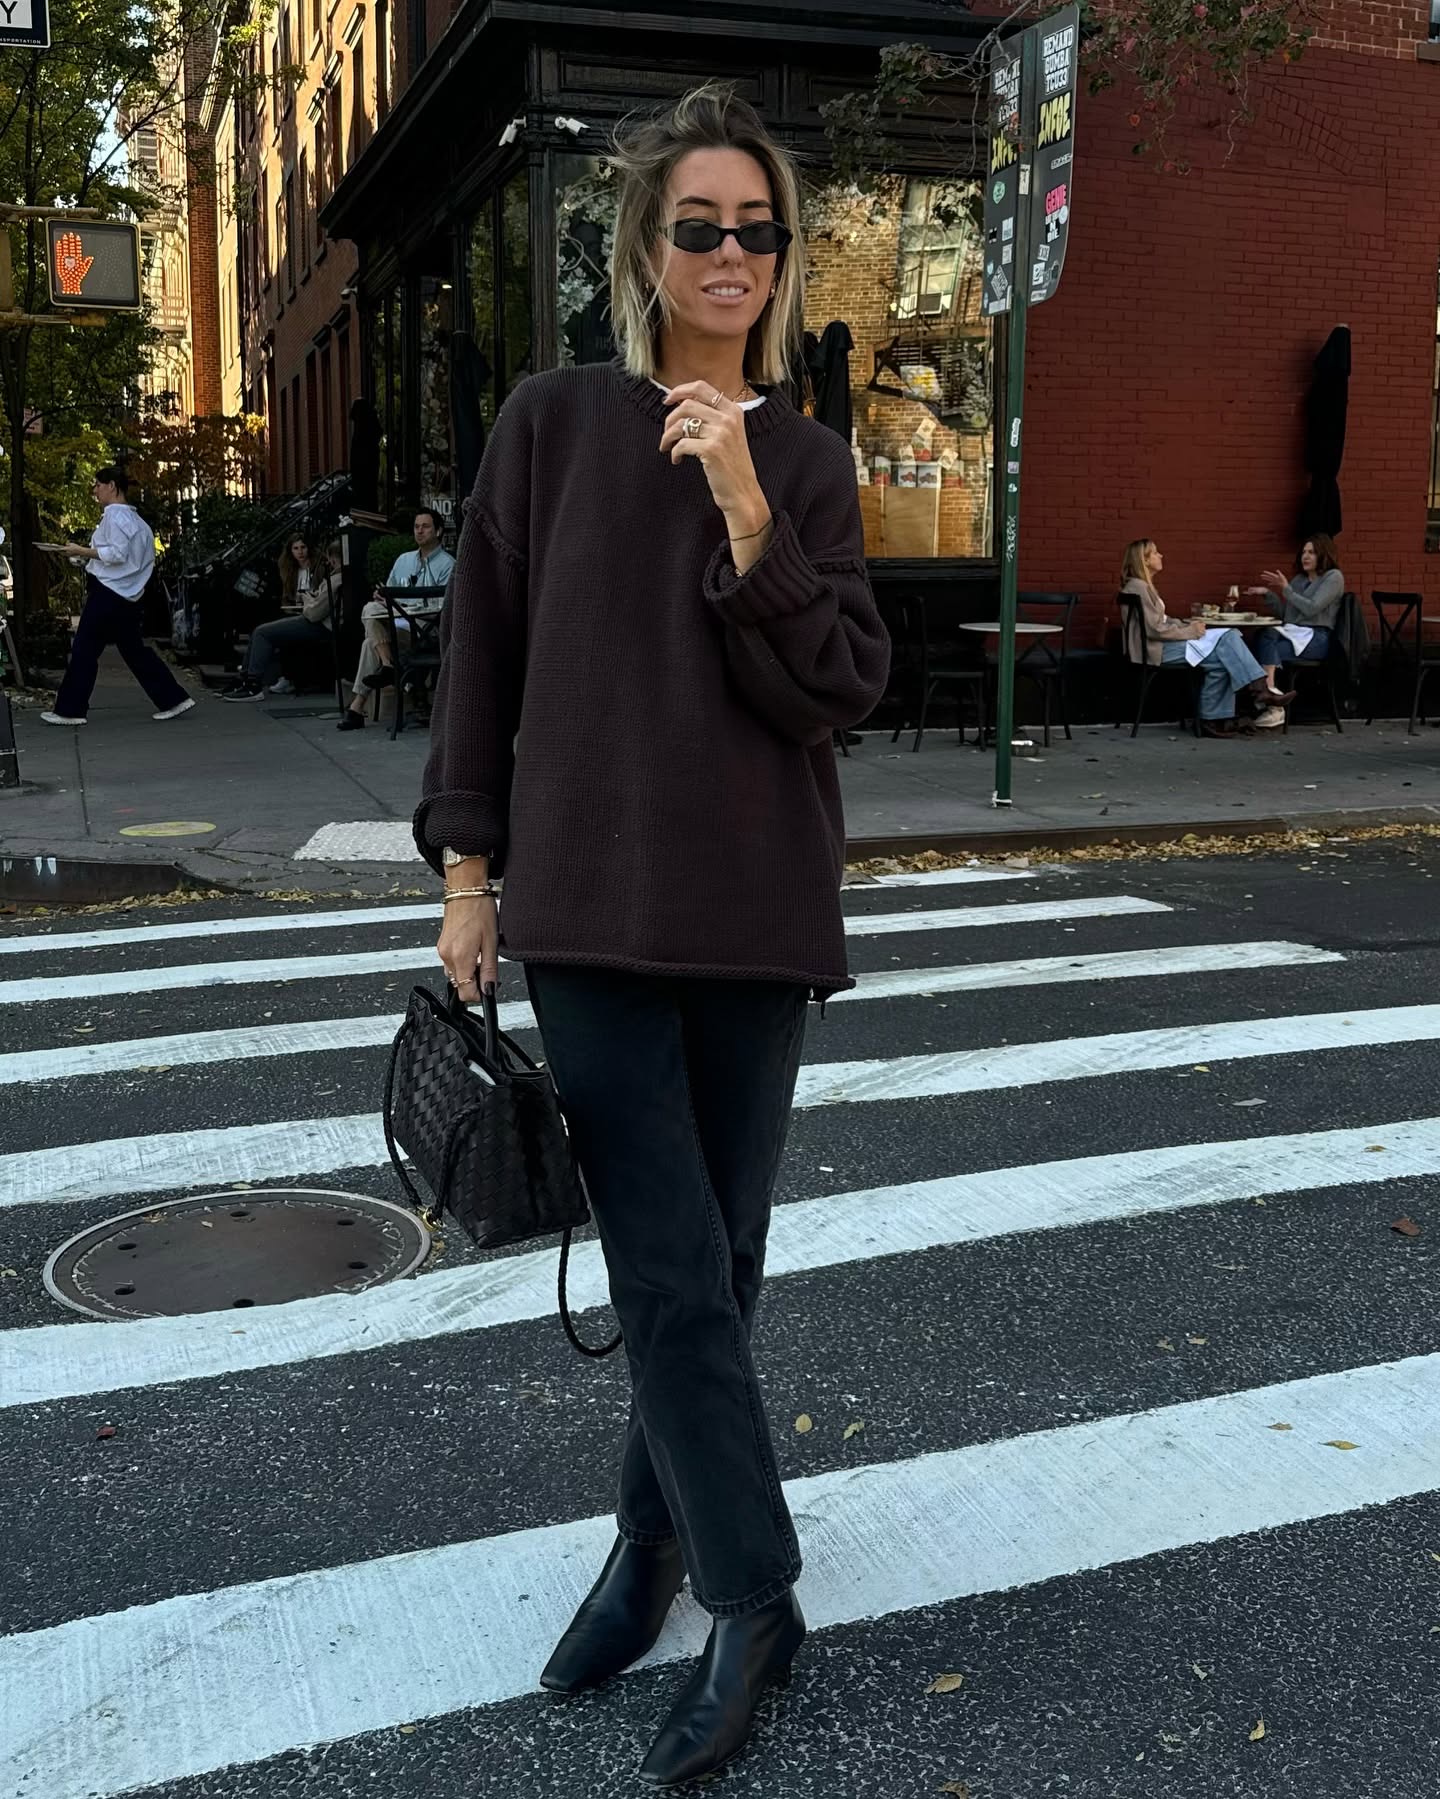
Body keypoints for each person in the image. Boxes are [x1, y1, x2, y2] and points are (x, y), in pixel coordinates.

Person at [419, 84, 889, 1786]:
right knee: (670, 1265)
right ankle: (756, 1589)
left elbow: (833, 686)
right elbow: (483, 660)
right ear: (644, 245)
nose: (730, 254)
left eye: (757, 230)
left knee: (723, 1267)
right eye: (699, 225)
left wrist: (751, 506)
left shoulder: (812, 460)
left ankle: (650, 1546)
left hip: (759, 918)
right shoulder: (549, 427)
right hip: (595, 915)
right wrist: (468, 876)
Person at [40, 467, 194, 727]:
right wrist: (84, 556)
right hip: (127, 594)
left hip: (108, 593)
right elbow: (127, 559)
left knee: (85, 650)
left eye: (97, 485)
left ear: (112, 485)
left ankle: (70, 709)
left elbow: (116, 554)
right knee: (134, 651)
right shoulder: (139, 523)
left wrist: (82, 551)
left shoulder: (114, 516)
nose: (95, 491)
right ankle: (173, 698)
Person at [1120, 539, 1291, 737]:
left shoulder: (1141, 586)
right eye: (1155, 553)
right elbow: (1154, 630)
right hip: (1155, 650)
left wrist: (1186, 624)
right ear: (1144, 560)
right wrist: (1190, 632)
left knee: (1223, 656)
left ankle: (1215, 719)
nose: (1161, 556)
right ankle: (1260, 690)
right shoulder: (1138, 587)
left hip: (1158, 645)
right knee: (1229, 637)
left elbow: (1162, 620)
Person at [336, 507, 455, 730]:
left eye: (426, 527)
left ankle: (357, 705)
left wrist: (404, 604)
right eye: (417, 527)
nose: (420, 531)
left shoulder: (448, 564)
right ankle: (388, 665)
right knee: (371, 609)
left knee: (369, 642)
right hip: (399, 624)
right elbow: (389, 591)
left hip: (426, 628)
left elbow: (441, 608)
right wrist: (382, 597)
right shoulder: (404, 560)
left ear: (438, 531)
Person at [223, 535, 332, 701]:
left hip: (314, 617)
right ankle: (244, 678)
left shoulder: (321, 569)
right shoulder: (289, 569)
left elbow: (318, 603)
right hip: (296, 611)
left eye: (303, 547)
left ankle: (253, 683)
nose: (300, 552)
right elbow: (287, 596)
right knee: (259, 630)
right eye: (296, 548)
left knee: (262, 632)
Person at [1254, 534, 1345, 700]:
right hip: (1293, 633)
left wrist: (1286, 590)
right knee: (1263, 635)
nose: (1306, 556)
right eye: (1304, 552)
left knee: (1263, 649)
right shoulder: (1299, 579)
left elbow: (1312, 608)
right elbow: (1287, 616)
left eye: (1312, 552)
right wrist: (1269, 594)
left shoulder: (1333, 577)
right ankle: (1271, 694)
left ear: (1323, 554)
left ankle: (1270, 699)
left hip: (1317, 638)